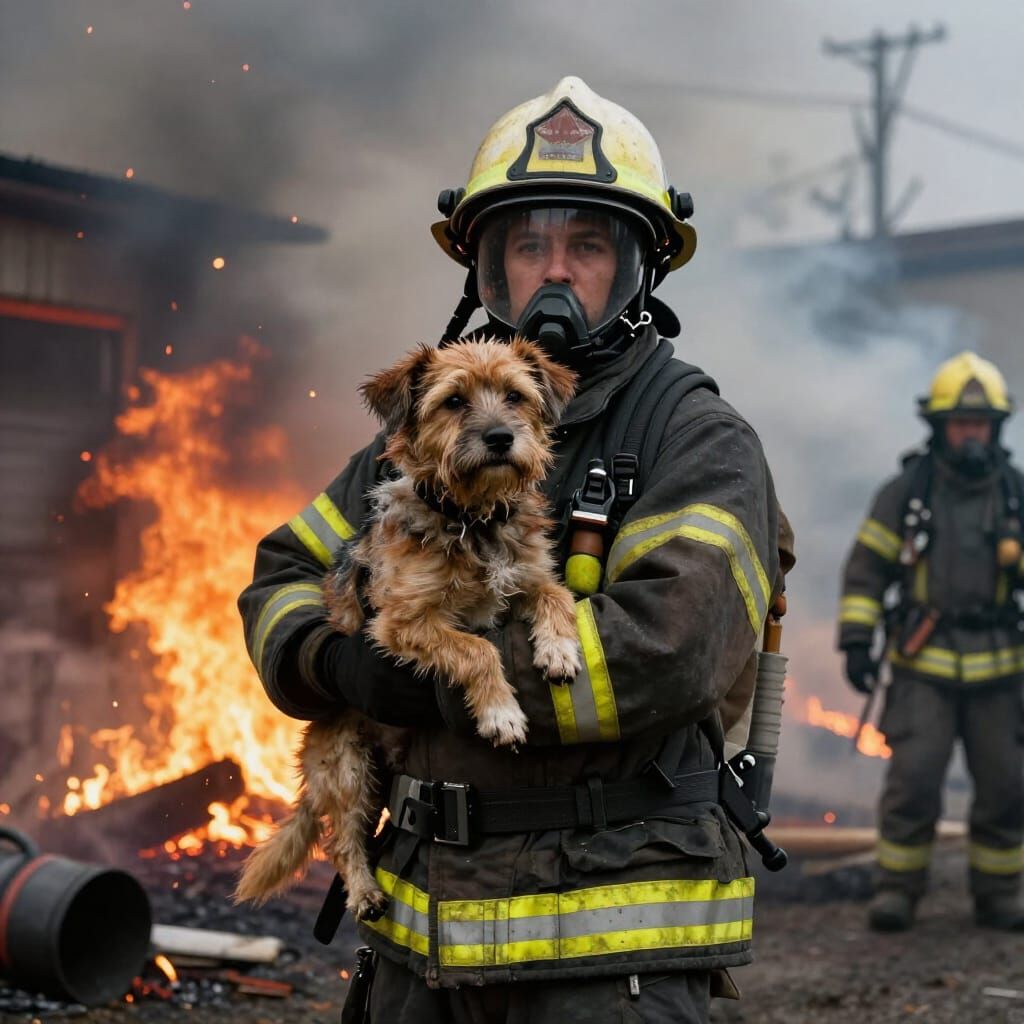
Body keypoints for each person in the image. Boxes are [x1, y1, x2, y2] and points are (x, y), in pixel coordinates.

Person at [239, 76, 791, 1023]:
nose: (555, 273)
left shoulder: (694, 435)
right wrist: (338, 663)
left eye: (586, 245)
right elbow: (285, 575)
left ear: (638, 266)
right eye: (526, 245)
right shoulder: (415, 433)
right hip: (420, 941)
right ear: (485, 270)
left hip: (609, 959)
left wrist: (447, 679)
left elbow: (675, 651)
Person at [838, 350, 1024, 933]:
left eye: (981, 424)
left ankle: (999, 895)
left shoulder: (1015, 494)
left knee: (1007, 786)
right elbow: (867, 569)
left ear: (996, 427)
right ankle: (897, 890)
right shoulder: (907, 492)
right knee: (913, 781)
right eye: (961, 423)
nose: (971, 434)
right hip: (924, 665)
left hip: (1000, 665)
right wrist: (857, 641)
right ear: (940, 426)